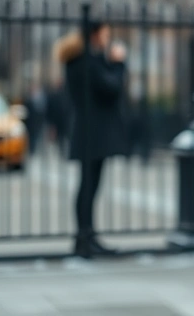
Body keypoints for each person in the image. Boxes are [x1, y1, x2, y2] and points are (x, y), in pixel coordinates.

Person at [55, 21, 127, 258]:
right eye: (105, 34)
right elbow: (111, 87)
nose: (107, 39)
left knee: (88, 185)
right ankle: (85, 239)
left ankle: (86, 237)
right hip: (93, 133)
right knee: (89, 186)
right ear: (95, 34)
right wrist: (118, 64)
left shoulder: (79, 60)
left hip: (87, 130)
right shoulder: (87, 61)